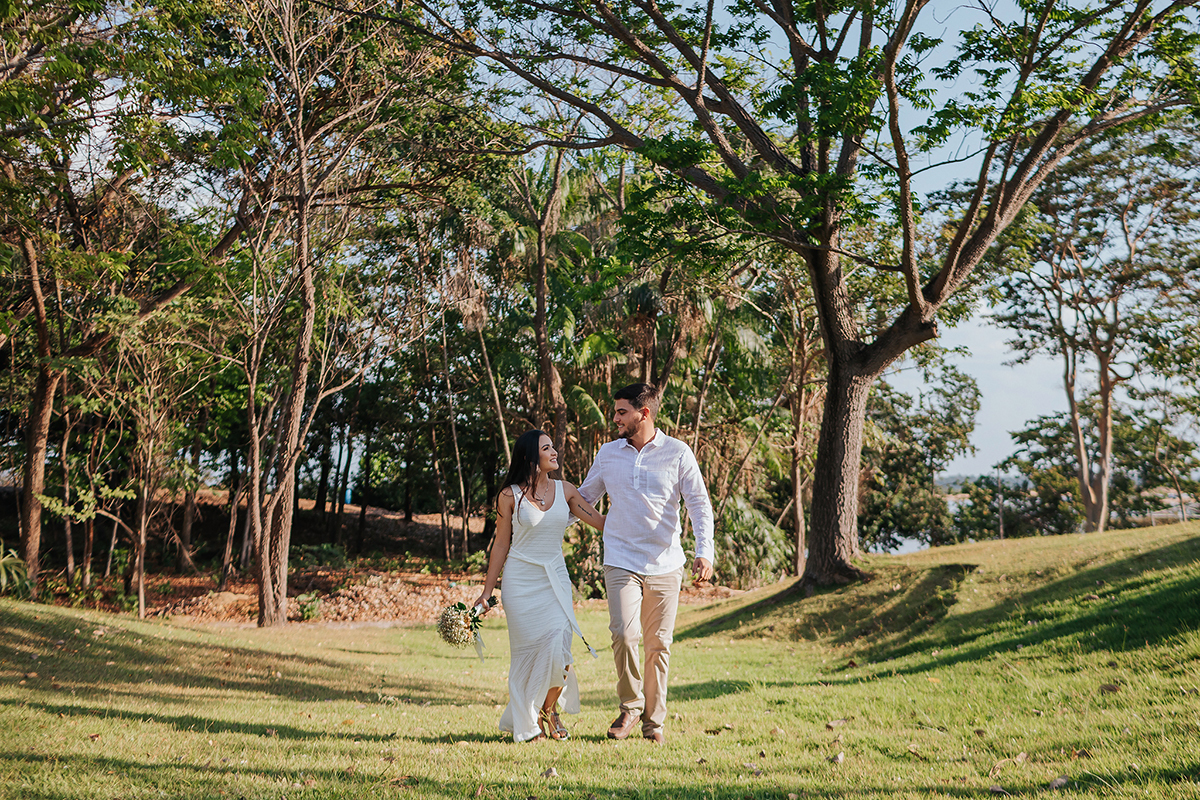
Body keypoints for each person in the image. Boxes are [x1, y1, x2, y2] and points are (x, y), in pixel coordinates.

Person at [577, 383, 715, 745]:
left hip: (666, 563)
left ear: (644, 413)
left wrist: (705, 551)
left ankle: (654, 725)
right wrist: (594, 523)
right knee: (623, 633)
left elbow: (699, 503)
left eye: (622, 411)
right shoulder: (608, 453)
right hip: (621, 558)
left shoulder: (677, 453)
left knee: (658, 646)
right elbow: (583, 498)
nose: (615, 417)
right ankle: (631, 705)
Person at [474, 429, 606, 743]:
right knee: (526, 656)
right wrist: (487, 591)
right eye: (547, 448)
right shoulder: (509, 496)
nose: (555, 451)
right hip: (520, 583)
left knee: (561, 650)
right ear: (530, 457)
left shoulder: (567, 491)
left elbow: (602, 523)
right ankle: (528, 727)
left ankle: (548, 709)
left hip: (555, 580)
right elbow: (501, 545)